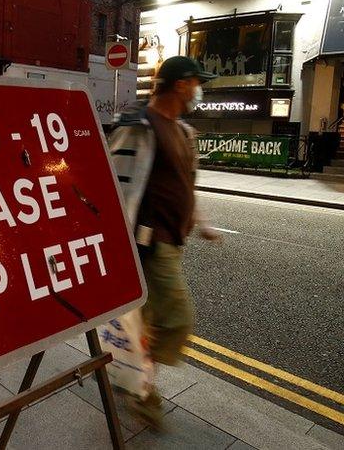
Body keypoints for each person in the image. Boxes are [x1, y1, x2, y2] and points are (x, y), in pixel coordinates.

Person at [108, 56, 221, 430]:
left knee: (148, 322)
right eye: (196, 82)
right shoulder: (139, 127)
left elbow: (186, 186)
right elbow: (114, 182)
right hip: (148, 244)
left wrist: (200, 222)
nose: (199, 89)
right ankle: (139, 382)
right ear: (179, 85)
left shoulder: (185, 132)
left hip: (174, 240)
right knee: (177, 320)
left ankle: (132, 380)